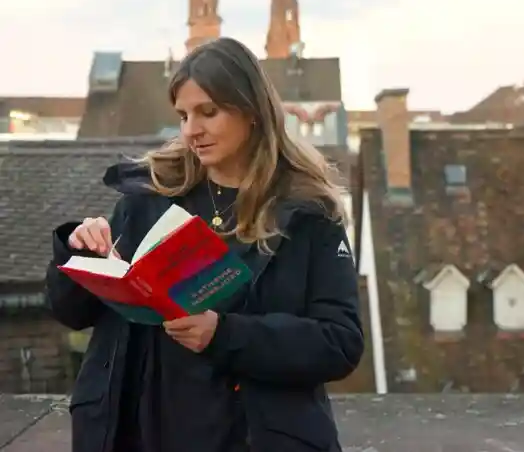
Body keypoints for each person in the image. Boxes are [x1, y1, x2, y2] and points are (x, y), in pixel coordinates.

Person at [45, 37, 364, 452]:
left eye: (208, 112)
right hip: (141, 432)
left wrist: (225, 334)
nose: (192, 130)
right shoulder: (149, 197)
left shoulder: (309, 215)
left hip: (251, 438)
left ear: (252, 112)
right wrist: (81, 253)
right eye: (184, 115)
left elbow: (339, 342)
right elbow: (71, 313)